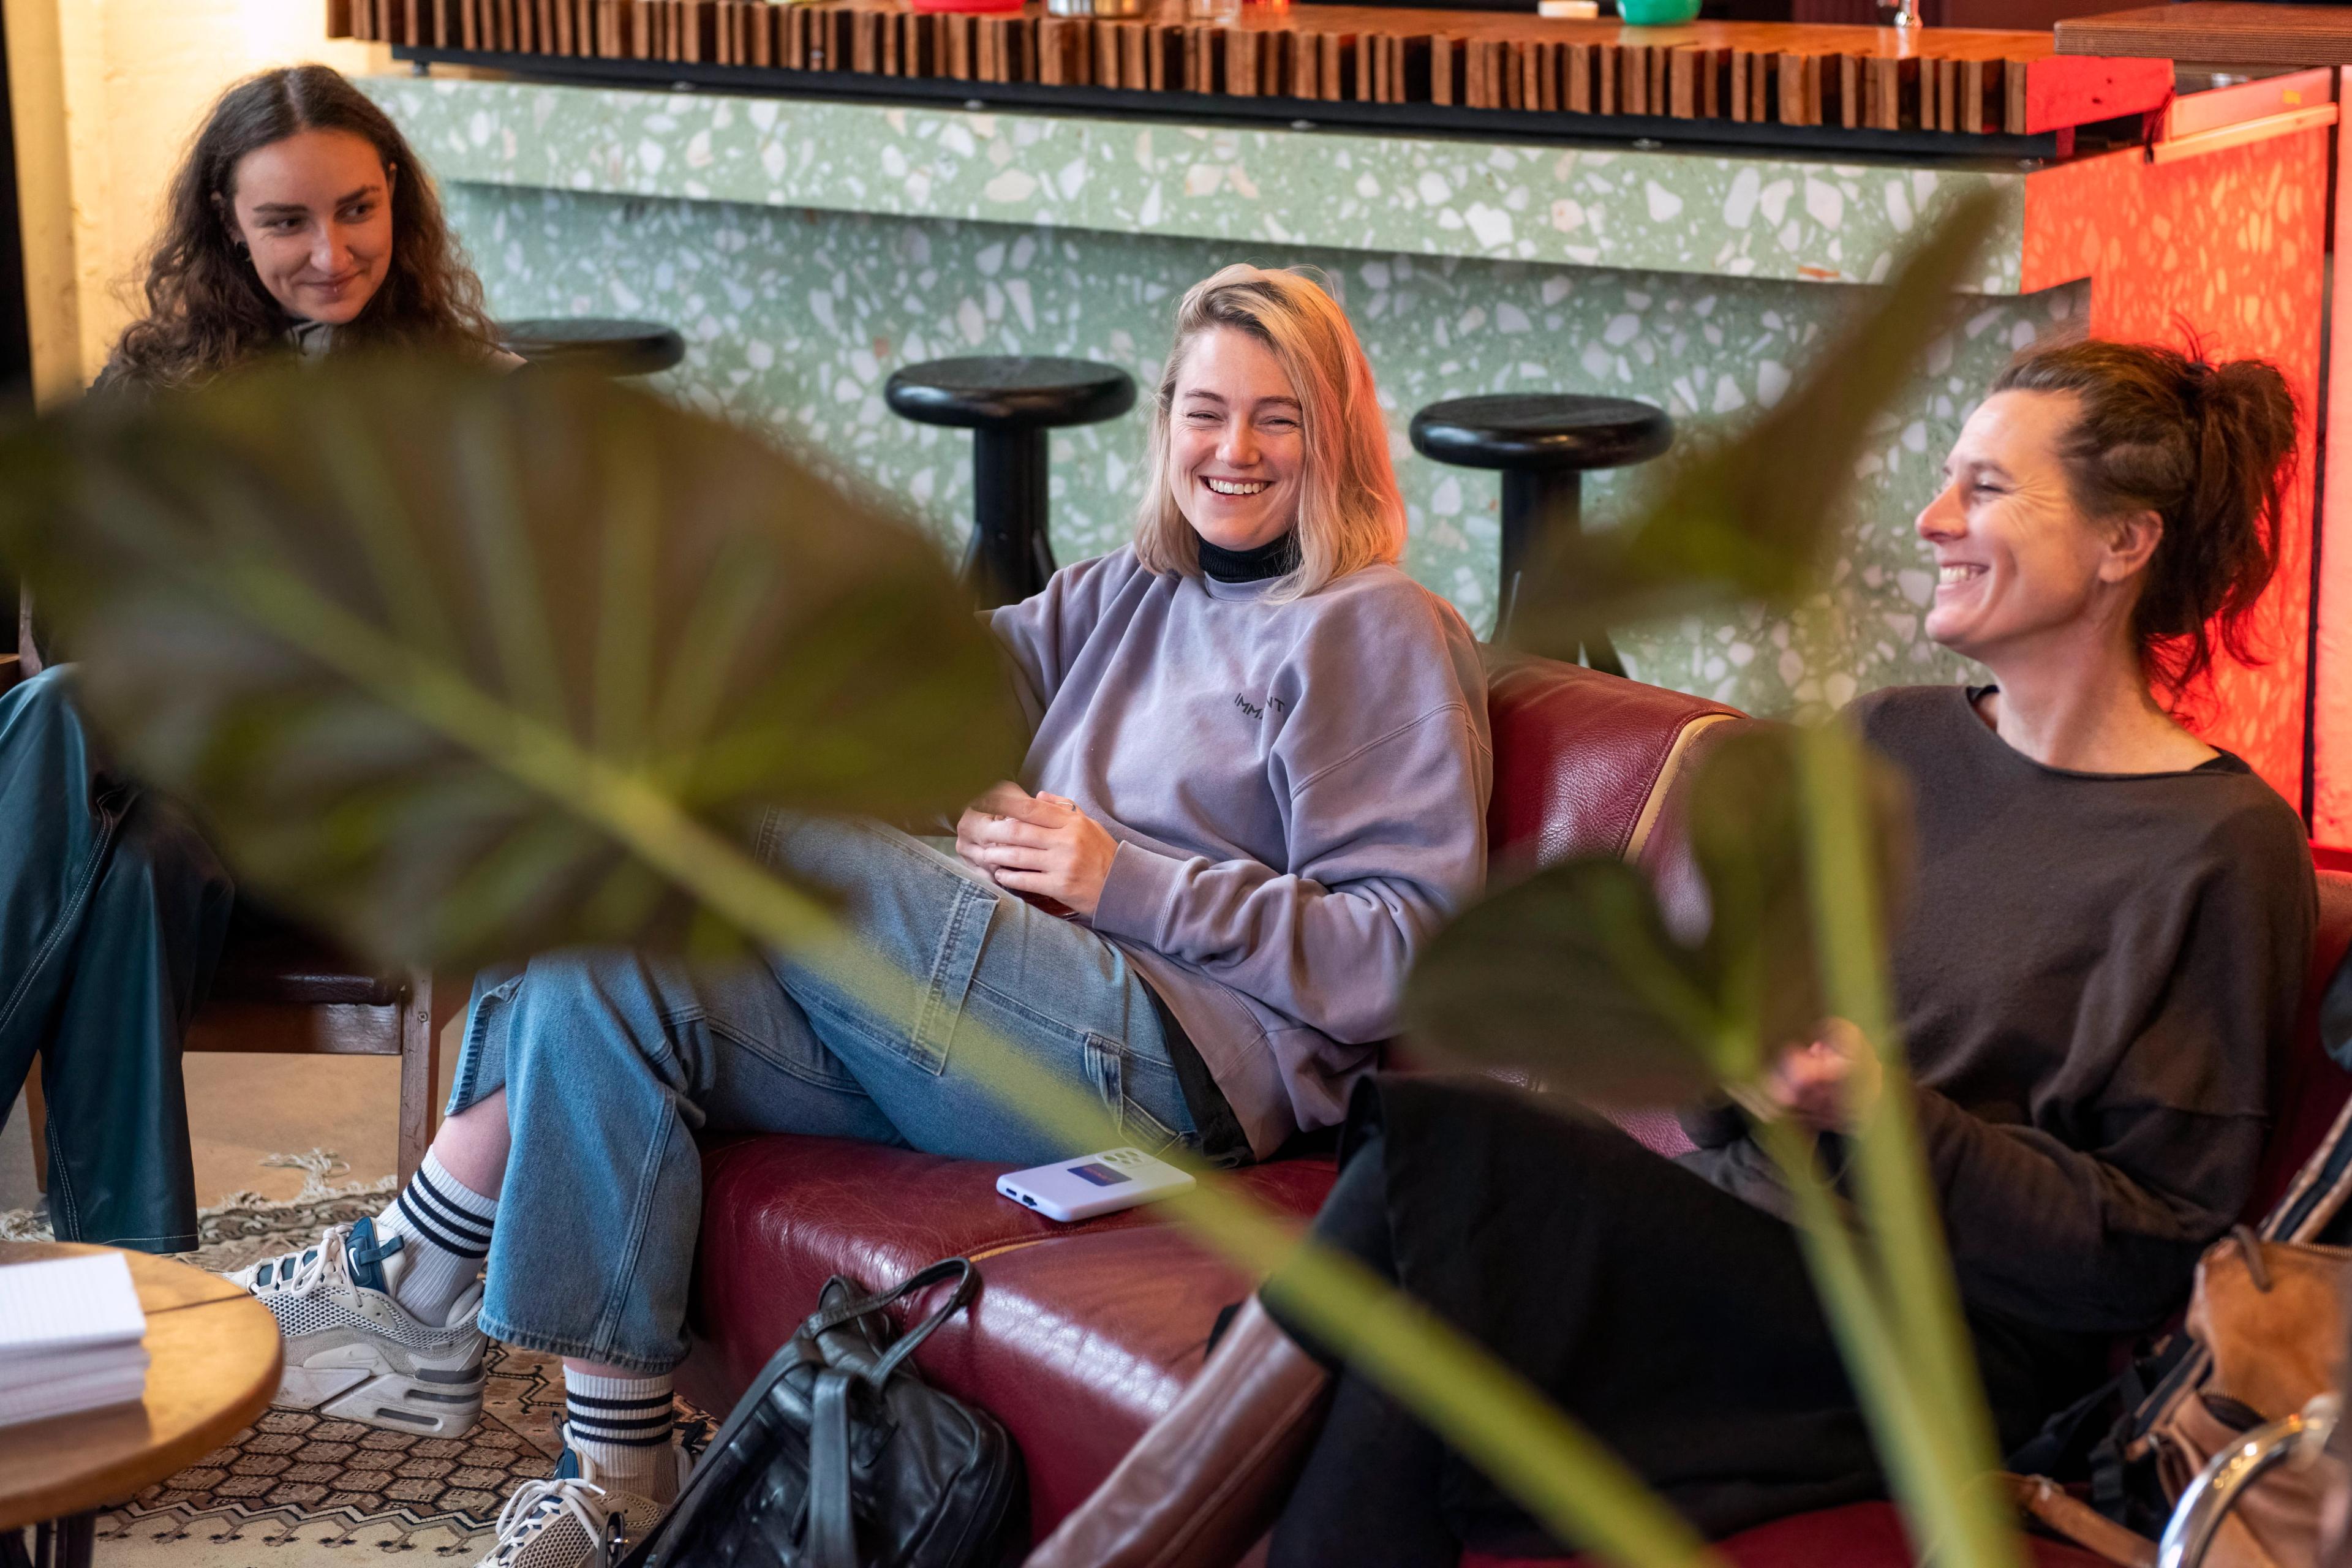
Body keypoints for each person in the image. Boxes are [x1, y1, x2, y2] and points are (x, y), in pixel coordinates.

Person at [227, 265, 1494, 1566]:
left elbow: (1408, 953)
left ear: (1337, 437)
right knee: (616, 966)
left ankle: (415, 1261)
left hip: (1165, 1068)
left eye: (1280, 417)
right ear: (1166, 424)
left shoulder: (1374, 626)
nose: (1235, 450)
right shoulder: (1125, 595)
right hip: (998, 1033)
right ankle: (618, 1476)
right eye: (1207, 412)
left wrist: (1120, 877)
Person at [1028, 337, 2321, 1568]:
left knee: (1447, 1154)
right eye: (1947, 478)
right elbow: (1722, 1095)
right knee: (1411, 1315)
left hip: (1930, 1339)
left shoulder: (2217, 848)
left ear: (2123, 541)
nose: (1933, 519)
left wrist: (1889, 1118)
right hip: (1741, 1238)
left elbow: (2153, 1251)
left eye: (1985, 488)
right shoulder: (1889, 739)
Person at [1, 63, 508, 1250]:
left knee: (72, 717)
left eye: (356, 209)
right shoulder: (155, 383)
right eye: (286, 221)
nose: (331, 251)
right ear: (228, 223)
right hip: (170, 795)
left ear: (395, 196)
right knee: (129, 849)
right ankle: (139, 1284)